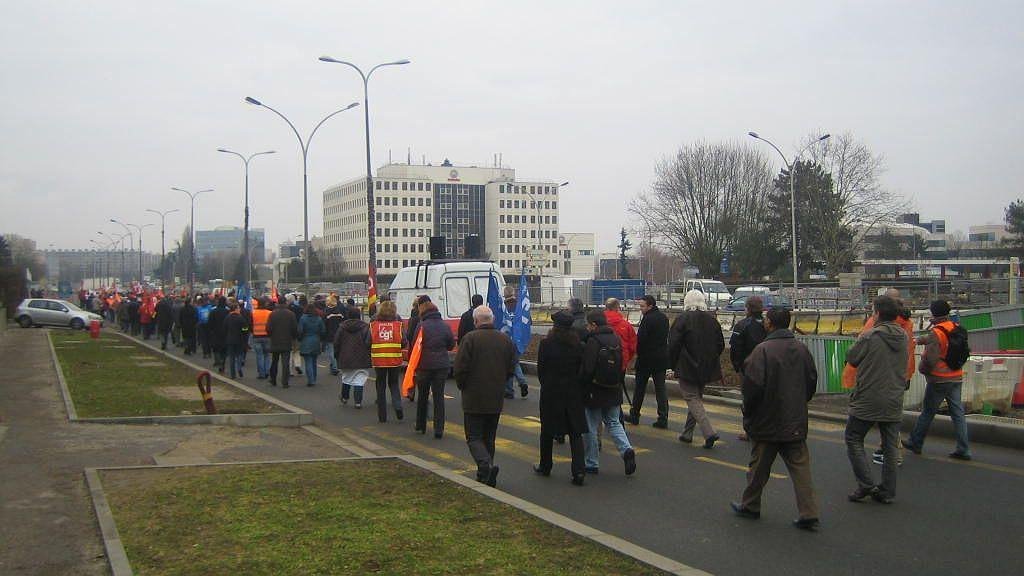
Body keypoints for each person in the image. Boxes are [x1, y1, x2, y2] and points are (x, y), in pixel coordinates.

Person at [732, 307, 820, 530]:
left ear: (769, 323)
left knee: (758, 467)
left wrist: (748, 414)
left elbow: (751, 388)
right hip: (794, 420)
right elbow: (811, 380)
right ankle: (809, 511)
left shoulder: (762, 351)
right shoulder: (801, 349)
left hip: (766, 420)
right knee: (801, 469)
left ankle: (750, 505)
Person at [843, 295, 909, 504]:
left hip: (869, 396)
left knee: (854, 437)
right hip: (894, 396)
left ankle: (865, 483)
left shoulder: (870, 336)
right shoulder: (903, 335)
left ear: (877, 313)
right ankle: (887, 491)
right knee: (890, 446)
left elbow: (852, 357)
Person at [454, 305, 517, 487]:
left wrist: (463, 385)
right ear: (493, 320)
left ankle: (485, 465)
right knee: (489, 437)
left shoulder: (470, 339)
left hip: (473, 396)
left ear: (475, 321)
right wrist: (501, 383)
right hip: (495, 396)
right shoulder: (505, 340)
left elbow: (460, 368)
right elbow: (512, 367)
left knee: (474, 437)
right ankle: (486, 473)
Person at [904, 299, 972, 460]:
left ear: (934, 313)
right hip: (956, 376)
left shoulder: (937, 332)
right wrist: (920, 340)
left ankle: (915, 442)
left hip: (939, 379)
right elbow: (943, 340)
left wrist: (922, 369)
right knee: (958, 413)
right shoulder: (955, 327)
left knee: (928, 411)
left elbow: (931, 358)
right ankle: (964, 449)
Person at [580, 310, 637, 476]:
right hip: (613, 388)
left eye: (588, 325)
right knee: (614, 422)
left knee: (591, 425)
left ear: (594, 325)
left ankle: (591, 462)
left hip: (595, 390)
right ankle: (626, 450)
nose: (587, 328)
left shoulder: (593, 341)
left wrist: (582, 385)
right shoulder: (615, 338)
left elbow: (588, 368)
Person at [535, 310, 588, 486]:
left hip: (551, 393)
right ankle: (579, 471)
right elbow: (582, 370)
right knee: (575, 432)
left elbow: (541, 370)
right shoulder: (578, 345)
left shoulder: (546, 344)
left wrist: (547, 385)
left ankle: (545, 465)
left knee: (547, 430)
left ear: (555, 326)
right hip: (573, 393)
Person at [668, 289, 724, 448]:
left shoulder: (682, 319)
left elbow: (673, 344)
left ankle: (709, 432)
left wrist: (671, 365)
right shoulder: (712, 320)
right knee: (696, 399)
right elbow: (720, 344)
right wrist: (711, 358)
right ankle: (687, 433)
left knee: (692, 398)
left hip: (686, 365)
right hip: (707, 366)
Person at [412, 301, 455, 438]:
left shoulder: (421, 326)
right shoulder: (445, 326)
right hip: (441, 366)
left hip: (424, 366)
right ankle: (439, 429)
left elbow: (415, 345)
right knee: (438, 397)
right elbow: (451, 345)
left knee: (423, 396)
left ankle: (421, 425)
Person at [729, 296, 767, 441]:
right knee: (765, 398)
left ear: (748, 309)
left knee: (749, 400)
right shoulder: (768, 324)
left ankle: (749, 430)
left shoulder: (741, 325)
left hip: (747, 368)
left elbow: (735, 348)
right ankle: (765, 427)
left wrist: (737, 365)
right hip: (767, 367)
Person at [628, 295, 670, 428]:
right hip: (661, 358)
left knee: (639, 388)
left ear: (650, 306)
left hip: (646, 359)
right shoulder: (663, 318)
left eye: (642, 306)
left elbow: (641, 339)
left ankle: (635, 414)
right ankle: (663, 417)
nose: (640, 309)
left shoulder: (647, 319)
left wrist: (637, 355)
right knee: (660, 389)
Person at [370, 300, 406, 422]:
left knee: (380, 386)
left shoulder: (373, 325)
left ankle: (382, 416)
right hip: (394, 359)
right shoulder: (398, 325)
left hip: (379, 360)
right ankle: (398, 406)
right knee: (394, 384)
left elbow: (367, 341)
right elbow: (404, 342)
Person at [603, 298, 637, 419]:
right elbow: (633, 346)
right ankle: (617, 416)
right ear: (618, 308)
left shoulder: (599, 323)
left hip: (601, 363)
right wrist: (627, 361)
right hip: (620, 363)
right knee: (617, 390)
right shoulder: (625, 325)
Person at [335, 307, 371, 406]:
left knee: (346, 377)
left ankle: (344, 397)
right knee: (360, 380)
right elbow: (368, 342)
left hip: (345, 356)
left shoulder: (342, 327)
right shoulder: (365, 327)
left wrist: (337, 355)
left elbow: (337, 342)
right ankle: (358, 402)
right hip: (362, 357)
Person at [502, 292, 529, 400]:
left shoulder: (504, 309)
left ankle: (509, 390)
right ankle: (522, 382)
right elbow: (527, 322)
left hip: (506, 340)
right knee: (515, 362)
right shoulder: (520, 307)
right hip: (517, 341)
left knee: (507, 365)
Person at [267, 297, 299, 388]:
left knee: (274, 361)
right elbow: (294, 328)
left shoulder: (272, 314)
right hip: (287, 340)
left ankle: (273, 379)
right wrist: (293, 337)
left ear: (277, 303)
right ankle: (285, 382)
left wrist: (271, 335)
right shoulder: (291, 314)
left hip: (275, 340)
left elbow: (268, 328)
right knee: (285, 363)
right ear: (286, 303)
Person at [298, 304, 326, 387]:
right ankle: (314, 378)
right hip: (316, 340)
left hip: (306, 340)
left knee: (308, 361)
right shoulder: (319, 319)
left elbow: (300, 331)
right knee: (314, 361)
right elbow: (323, 330)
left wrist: (300, 339)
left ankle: (311, 380)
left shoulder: (303, 318)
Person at [224, 302, 250, 379]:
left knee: (231, 357)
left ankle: (233, 374)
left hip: (230, 340)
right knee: (239, 355)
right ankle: (239, 368)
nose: (239, 309)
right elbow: (245, 329)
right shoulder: (240, 318)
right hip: (239, 339)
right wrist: (244, 333)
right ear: (235, 309)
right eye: (238, 308)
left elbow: (224, 328)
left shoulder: (227, 318)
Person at [250, 298, 272, 379]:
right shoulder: (269, 313)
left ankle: (261, 373)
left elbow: (250, 324)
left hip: (256, 336)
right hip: (267, 336)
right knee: (267, 355)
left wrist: (253, 331)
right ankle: (267, 371)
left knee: (259, 355)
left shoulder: (253, 313)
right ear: (265, 304)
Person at [324, 295, 345, 376]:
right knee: (337, 351)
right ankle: (333, 367)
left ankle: (335, 367)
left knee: (331, 352)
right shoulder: (339, 312)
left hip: (329, 334)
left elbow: (324, 324)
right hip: (339, 333)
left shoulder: (326, 312)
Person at [208, 297, 230, 373]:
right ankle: (222, 362)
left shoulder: (213, 311)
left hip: (215, 332)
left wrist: (211, 330)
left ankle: (217, 360)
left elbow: (210, 323)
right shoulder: (227, 312)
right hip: (225, 333)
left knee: (216, 347)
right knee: (224, 349)